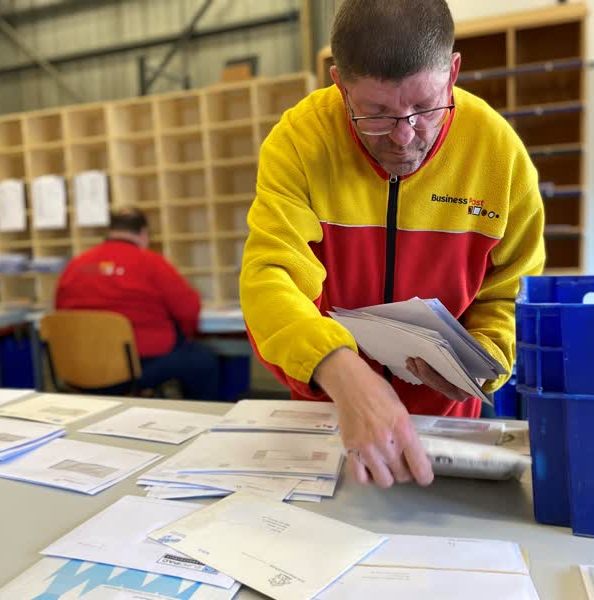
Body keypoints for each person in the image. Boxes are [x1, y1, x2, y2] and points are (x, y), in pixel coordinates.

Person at [239, 0, 545, 488]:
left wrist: (484, 358)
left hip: (447, 429)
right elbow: (270, 278)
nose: (404, 137)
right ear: (340, 85)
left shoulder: (498, 153)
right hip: (332, 415)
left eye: (425, 107)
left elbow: (513, 290)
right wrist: (342, 372)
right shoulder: (300, 140)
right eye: (376, 113)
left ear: (453, 72)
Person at [55, 206, 220, 399]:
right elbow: (188, 310)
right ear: (143, 233)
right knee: (202, 360)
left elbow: (59, 310)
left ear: (110, 231)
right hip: (132, 371)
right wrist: (185, 336)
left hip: (79, 368)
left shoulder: (76, 265)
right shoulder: (152, 263)